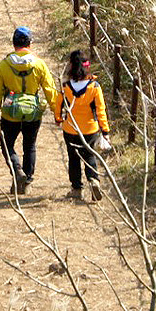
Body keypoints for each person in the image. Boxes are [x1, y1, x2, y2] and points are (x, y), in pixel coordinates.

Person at [0, 27, 59, 195]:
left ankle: (16, 169)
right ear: (30, 43)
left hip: (10, 113)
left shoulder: (3, 66)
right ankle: (27, 181)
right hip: (32, 113)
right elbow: (50, 90)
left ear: (13, 44)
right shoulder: (39, 64)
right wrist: (56, 111)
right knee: (30, 146)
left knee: (7, 145)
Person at [56, 49, 110, 201]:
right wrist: (105, 130)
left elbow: (58, 105)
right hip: (90, 129)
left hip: (71, 128)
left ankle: (76, 189)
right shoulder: (95, 87)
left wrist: (59, 119)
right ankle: (93, 180)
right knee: (90, 155)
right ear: (87, 67)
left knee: (73, 158)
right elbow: (101, 110)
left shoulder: (65, 87)